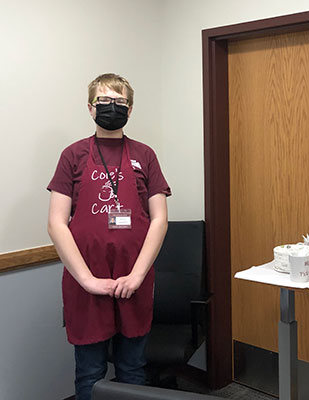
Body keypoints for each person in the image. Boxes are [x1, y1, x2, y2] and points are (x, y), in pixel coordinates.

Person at [47, 73, 171, 400]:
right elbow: (56, 224)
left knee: (133, 367)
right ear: (90, 108)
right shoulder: (72, 155)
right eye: (104, 101)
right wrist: (88, 280)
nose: (111, 108)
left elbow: (159, 219)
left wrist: (138, 275)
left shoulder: (145, 155)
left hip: (135, 280)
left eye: (119, 103)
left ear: (130, 110)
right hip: (85, 284)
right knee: (90, 372)